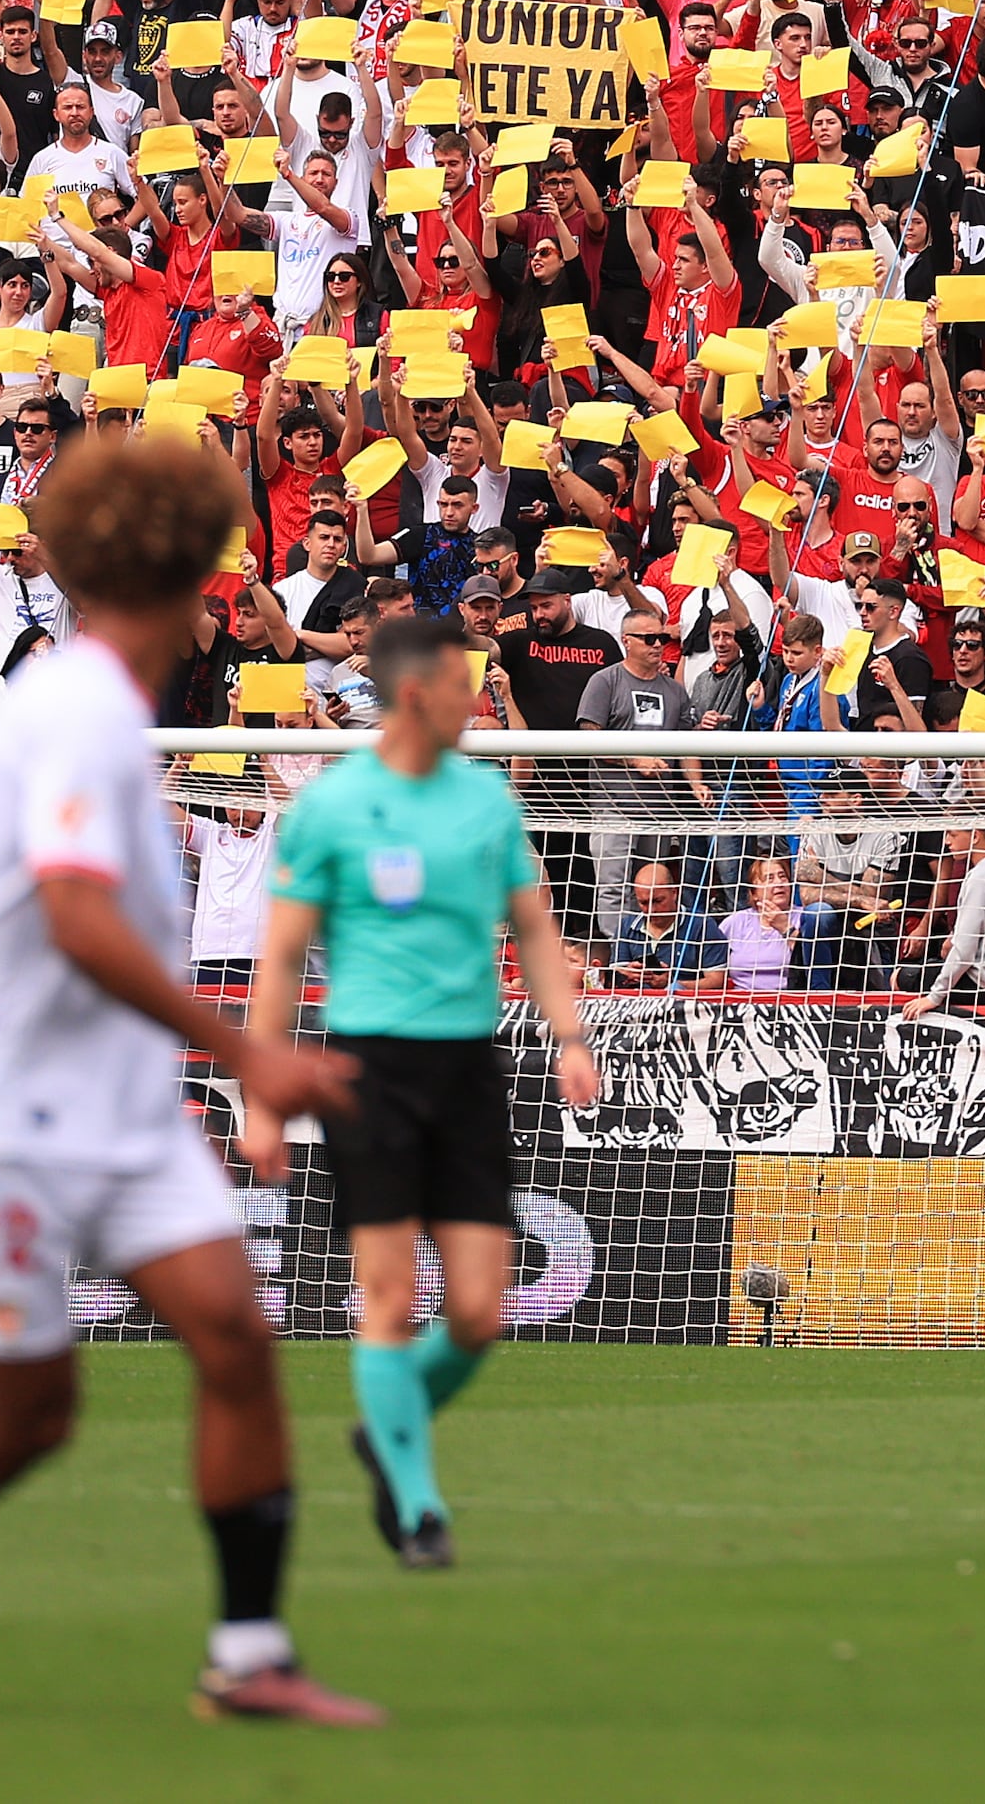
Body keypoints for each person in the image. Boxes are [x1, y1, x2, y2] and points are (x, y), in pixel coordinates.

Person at [0, 432, 372, 1725]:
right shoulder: (74, 710)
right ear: (201, 577)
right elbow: (74, 913)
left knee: (233, 1330)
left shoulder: (111, 711)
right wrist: (245, 1054)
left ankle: (248, 1653)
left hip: (108, 1101)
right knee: (33, 1415)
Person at [246, 605, 599, 1575]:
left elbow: (532, 928)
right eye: (464, 688)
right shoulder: (329, 806)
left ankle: (385, 1426)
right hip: (366, 1069)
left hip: (466, 1068)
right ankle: (418, 1506)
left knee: (480, 1315)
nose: (477, 702)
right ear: (414, 695)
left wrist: (568, 1034)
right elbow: (279, 960)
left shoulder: (484, 803)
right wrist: (260, 1095)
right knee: (389, 1301)